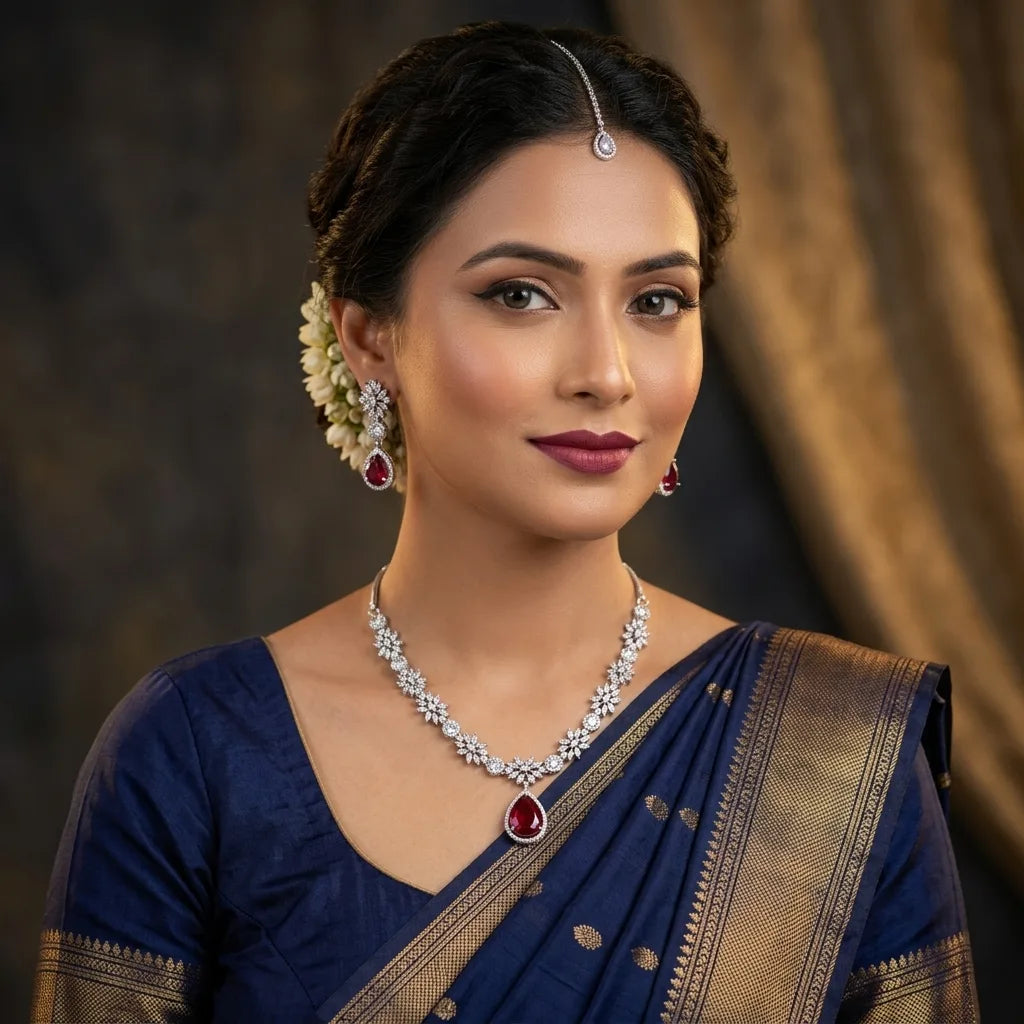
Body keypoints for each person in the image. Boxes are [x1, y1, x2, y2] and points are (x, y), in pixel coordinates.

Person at [29, 20, 979, 1024]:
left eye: (657, 300)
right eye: (521, 293)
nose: (607, 373)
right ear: (368, 337)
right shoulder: (194, 755)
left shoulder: (834, 760)